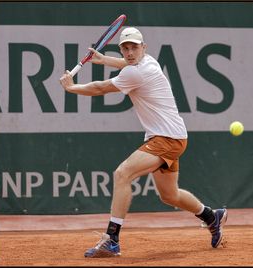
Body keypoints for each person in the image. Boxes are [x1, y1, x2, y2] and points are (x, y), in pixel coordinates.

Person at [59, 27, 228, 258]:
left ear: (143, 48)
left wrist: (71, 87)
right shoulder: (150, 62)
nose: (129, 52)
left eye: (134, 47)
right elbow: (125, 64)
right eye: (125, 48)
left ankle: (112, 239)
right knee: (169, 195)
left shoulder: (136, 73)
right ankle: (211, 216)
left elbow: (100, 88)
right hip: (172, 136)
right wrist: (103, 59)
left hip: (166, 138)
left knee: (122, 174)